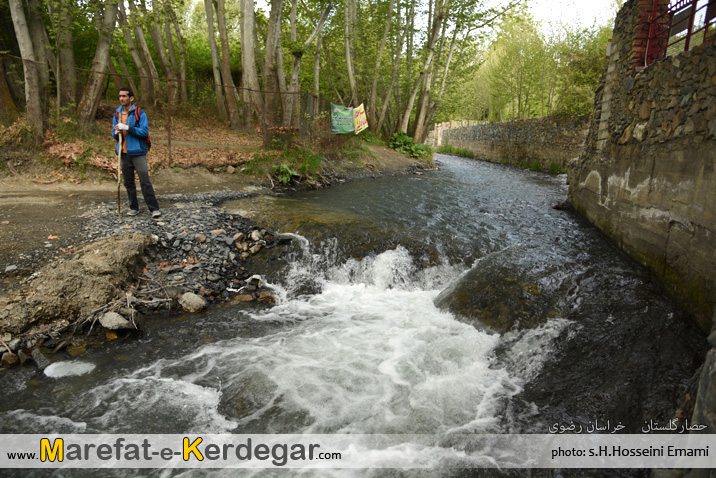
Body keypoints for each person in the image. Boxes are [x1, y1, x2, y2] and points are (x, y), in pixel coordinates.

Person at [112, 87, 161, 218]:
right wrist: (116, 132)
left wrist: (128, 128)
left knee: (145, 181)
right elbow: (114, 134)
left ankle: (154, 209)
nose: (121, 98)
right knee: (128, 182)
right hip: (123, 153)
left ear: (131, 98)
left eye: (124, 96)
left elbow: (144, 132)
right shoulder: (117, 114)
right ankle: (134, 208)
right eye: (120, 96)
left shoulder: (140, 113)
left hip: (138, 152)